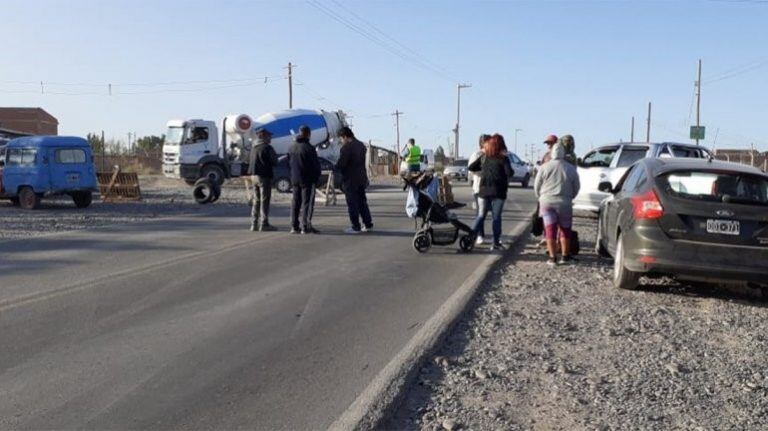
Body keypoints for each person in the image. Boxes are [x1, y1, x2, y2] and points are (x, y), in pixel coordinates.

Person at [534, 143, 581, 266]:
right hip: (564, 203)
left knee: (550, 229)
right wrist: (570, 197)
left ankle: (552, 258)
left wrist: (540, 197)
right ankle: (565, 256)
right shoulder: (571, 168)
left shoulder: (544, 167)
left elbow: (536, 186)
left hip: (547, 202)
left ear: (552, 153)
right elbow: (577, 187)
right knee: (565, 230)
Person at [468, 134, 514, 250]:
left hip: (483, 191)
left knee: (480, 215)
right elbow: (510, 173)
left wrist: (483, 167)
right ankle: (495, 243)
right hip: (498, 192)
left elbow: (472, 167)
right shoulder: (503, 158)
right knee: (496, 217)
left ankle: (470, 237)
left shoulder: (484, 157)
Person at [336, 127, 374, 234]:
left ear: (345, 137)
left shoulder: (346, 147)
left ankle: (355, 226)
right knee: (362, 202)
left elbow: (341, 164)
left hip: (350, 179)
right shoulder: (361, 145)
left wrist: (336, 167)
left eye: (341, 139)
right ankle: (368, 224)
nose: (341, 141)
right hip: (361, 178)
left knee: (352, 203)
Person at [288, 125, 322, 234]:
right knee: (307, 203)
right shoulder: (309, 148)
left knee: (295, 202)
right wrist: (317, 177)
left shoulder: (292, 147)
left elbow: (289, 162)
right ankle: (305, 226)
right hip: (307, 179)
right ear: (308, 134)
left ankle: (294, 226)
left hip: (295, 178)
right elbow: (315, 165)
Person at [247, 127, 279, 232]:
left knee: (256, 200)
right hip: (264, 177)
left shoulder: (254, 148)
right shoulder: (267, 148)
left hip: (253, 176)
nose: (270, 138)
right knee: (265, 200)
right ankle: (264, 224)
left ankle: (254, 223)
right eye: (269, 136)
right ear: (263, 136)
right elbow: (275, 162)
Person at [468, 134, 490, 244]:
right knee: (480, 213)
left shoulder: (490, 155)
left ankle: (479, 234)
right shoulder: (476, 155)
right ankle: (477, 235)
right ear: (482, 143)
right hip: (478, 188)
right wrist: (485, 172)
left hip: (489, 189)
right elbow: (471, 170)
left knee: (483, 213)